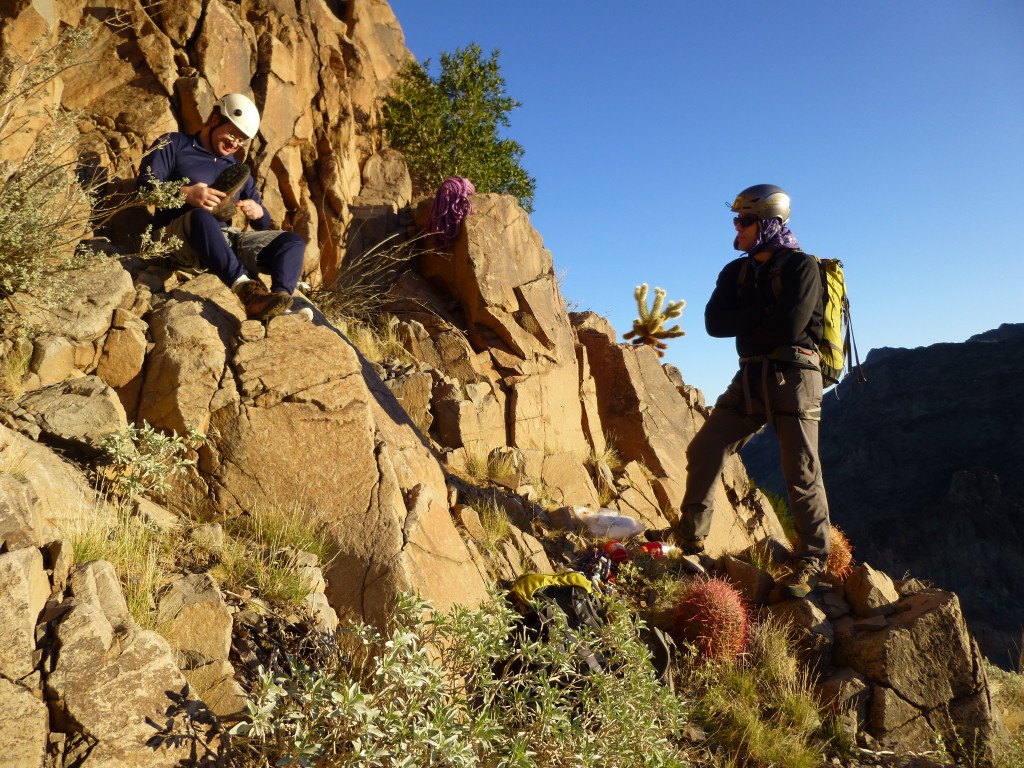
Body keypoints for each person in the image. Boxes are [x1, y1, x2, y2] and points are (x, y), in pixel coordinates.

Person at [652, 184, 831, 598]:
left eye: (745, 220)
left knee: (800, 469)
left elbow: (790, 328)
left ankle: (812, 560)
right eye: (737, 219)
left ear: (769, 223)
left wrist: (750, 319)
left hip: (796, 378)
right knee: (706, 447)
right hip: (750, 377)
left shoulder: (803, 267)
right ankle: (690, 537)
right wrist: (769, 312)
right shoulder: (736, 271)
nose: (737, 227)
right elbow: (716, 324)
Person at [138, 93, 307, 320]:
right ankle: (247, 292)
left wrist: (259, 212)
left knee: (292, 242)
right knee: (201, 217)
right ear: (215, 119)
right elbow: (144, 188)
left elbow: (263, 223)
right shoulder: (175, 144)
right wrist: (186, 193)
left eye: (241, 140)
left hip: (221, 241)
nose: (234, 144)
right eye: (232, 134)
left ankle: (278, 303)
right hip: (172, 239)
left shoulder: (236, 169)